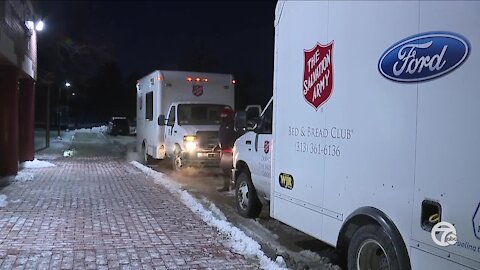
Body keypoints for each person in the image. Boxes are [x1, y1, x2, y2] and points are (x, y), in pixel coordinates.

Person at [217, 107, 237, 192]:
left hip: (230, 151)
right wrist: (218, 145)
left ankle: (231, 186)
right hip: (224, 150)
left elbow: (235, 137)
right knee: (224, 169)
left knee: (229, 169)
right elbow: (222, 137)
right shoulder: (223, 125)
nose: (223, 117)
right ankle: (227, 186)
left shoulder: (233, 125)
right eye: (222, 115)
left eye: (225, 115)